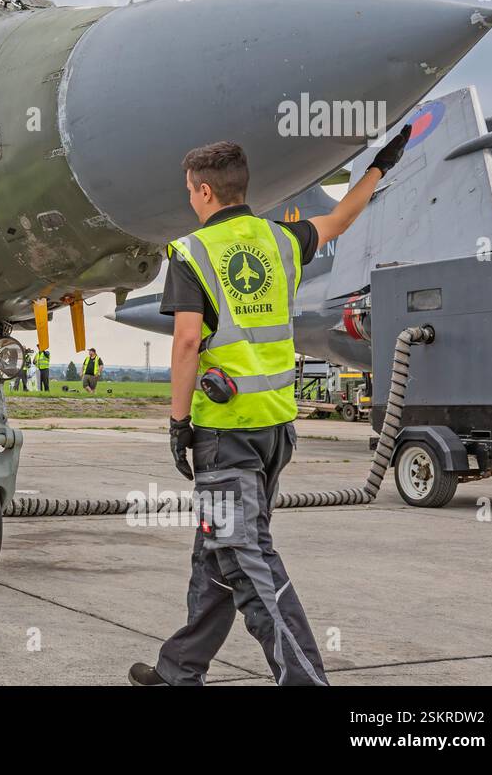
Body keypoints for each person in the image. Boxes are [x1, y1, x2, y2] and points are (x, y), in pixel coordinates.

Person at [130, 128, 409, 687]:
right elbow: (340, 222)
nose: (189, 198)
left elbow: (186, 342)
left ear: (206, 193)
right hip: (276, 430)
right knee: (221, 551)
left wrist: (178, 422)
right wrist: (379, 167)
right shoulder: (281, 240)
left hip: (226, 432)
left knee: (245, 559)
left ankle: (305, 681)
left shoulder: (190, 252)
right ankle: (179, 670)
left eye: (190, 190)